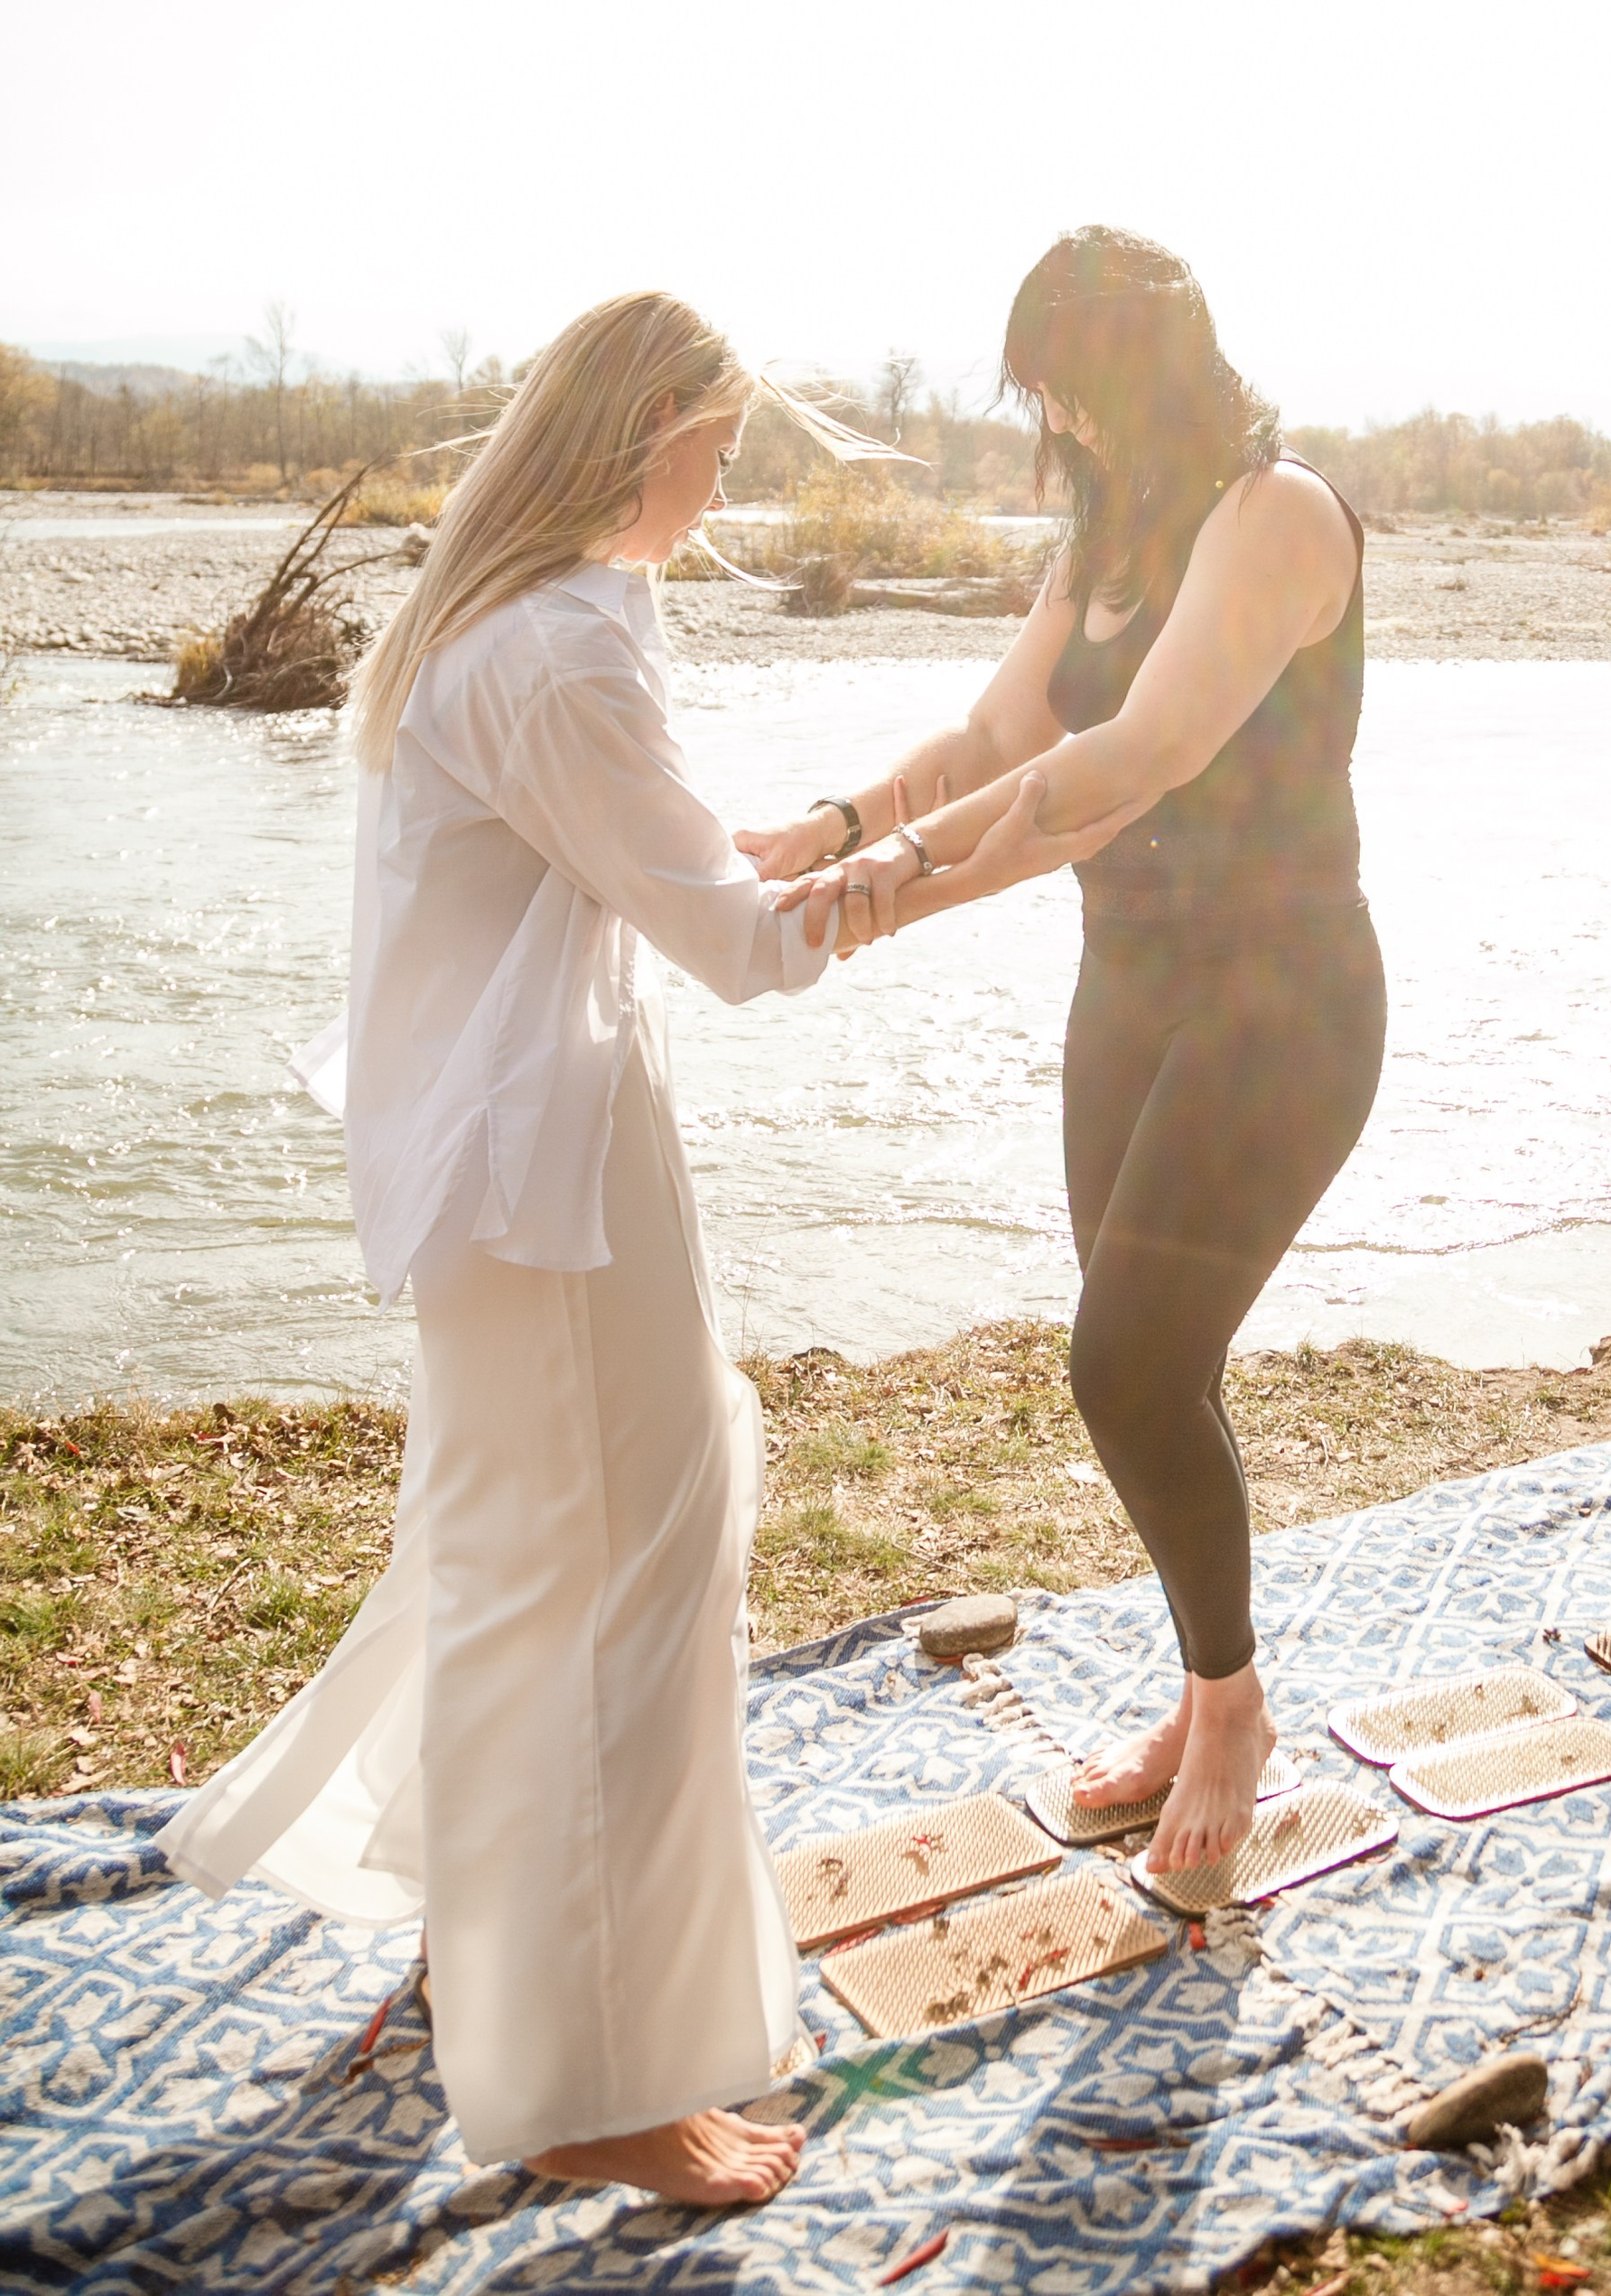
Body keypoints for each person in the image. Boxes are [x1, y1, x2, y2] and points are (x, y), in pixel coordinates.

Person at [162, 293, 1094, 2211]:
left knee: (515, 1560)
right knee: (622, 1576)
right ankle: (586, 2083)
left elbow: (642, 855)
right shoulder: (570, 644)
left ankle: (499, 1956)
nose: (725, 484)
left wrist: (853, 815)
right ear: (648, 428)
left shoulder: (485, 622)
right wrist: (982, 835)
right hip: (549, 1178)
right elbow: (737, 944)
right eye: (721, 447)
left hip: (487, 1173)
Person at [741, 228, 1385, 1875]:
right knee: (1148, 1370)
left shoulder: (1279, 518)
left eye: (1078, 391)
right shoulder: (1108, 543)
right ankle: (1206, 1683)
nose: (1065, 428)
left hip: (1282, 1005)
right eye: (1048, 401)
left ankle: (1232, 1707)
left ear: (1143, 370)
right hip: (1132, 992)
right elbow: (996, 737)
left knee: (1128, 1364)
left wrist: (908, 884)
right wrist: (825, 828)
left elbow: (1133, 760)